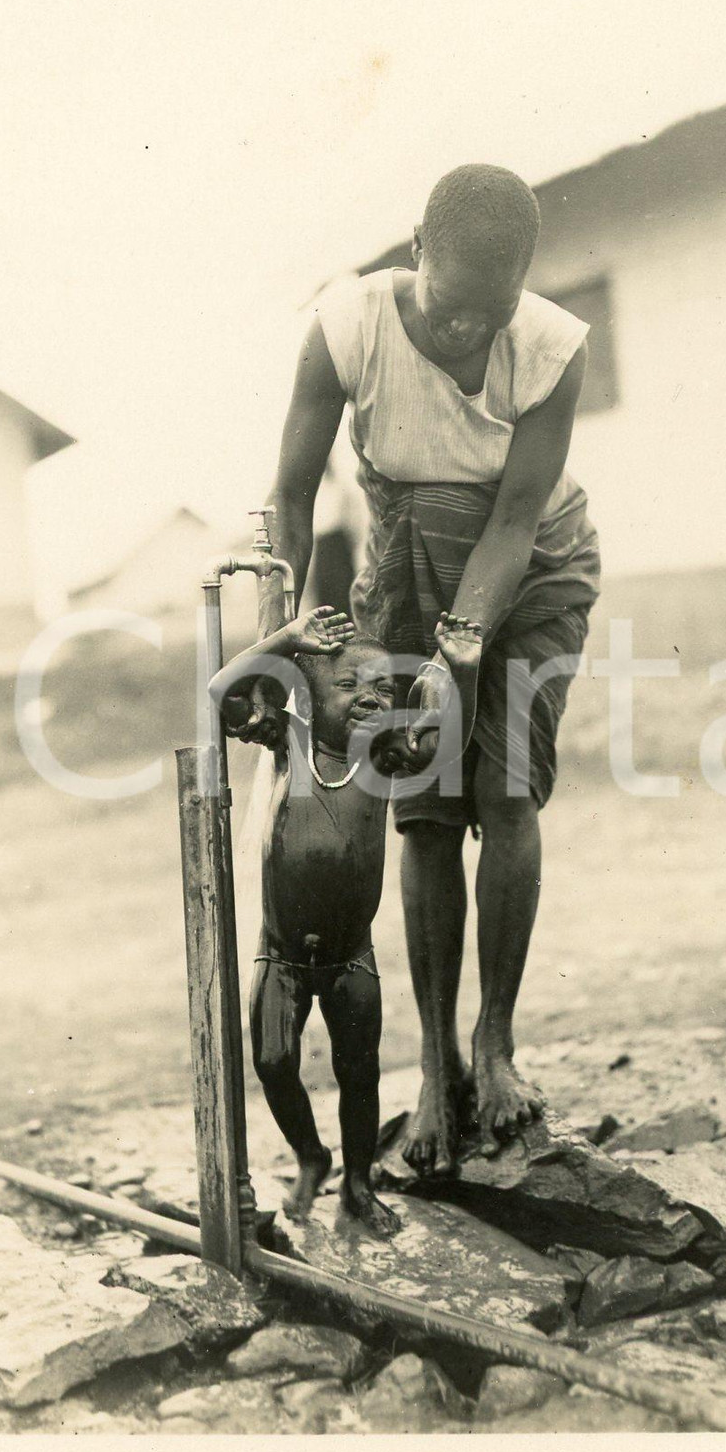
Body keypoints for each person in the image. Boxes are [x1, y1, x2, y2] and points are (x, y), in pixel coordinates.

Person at [239, 163, 601, 1177]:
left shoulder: (552, 348)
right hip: (403, 564)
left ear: (520, 288)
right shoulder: (345, 327)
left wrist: (464, 648)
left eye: (485, 319)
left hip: (526, 572)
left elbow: (518, 520)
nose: (461, 337)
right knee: (428, 811)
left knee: (506, 787)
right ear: (413, 254)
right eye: (447, 313)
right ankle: (437, 1069)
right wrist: (279, 642)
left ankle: (496, 1045)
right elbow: (292, 489)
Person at [210, 604, 482, 1236]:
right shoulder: (288, 739)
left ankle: (358, 1184)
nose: (369, 697)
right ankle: (312, 1155)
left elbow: (448, 743)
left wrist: (462, 673)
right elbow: (221, 694)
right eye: (349, 685)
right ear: (309, 694)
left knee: (358, 1072)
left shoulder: (385, 757)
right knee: (274, 1060)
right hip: (279, 954)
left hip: (350, 957)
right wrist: (284, 639)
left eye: (383, 689)